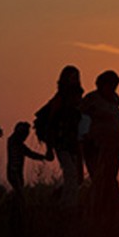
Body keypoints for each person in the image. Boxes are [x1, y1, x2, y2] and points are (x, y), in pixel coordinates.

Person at [34, 65, 85, 209]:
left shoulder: (78, 99)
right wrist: (49, 148)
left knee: (78, 178)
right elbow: (51, 123)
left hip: (74, 142)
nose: (74, 79)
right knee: (71, 174)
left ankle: (62, 201)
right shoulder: (60, 98)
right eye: (71, 77)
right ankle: (67, 206)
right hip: (62, 142)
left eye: (76, 76)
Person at [81, 70, 119, 214]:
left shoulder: (114, 102)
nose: (114, 87)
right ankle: (94, 208)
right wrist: (88, 139)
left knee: (110, 177)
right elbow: (82, 120)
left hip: (114, 148)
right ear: (103, 84)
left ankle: (110, 207)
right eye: (111, 84)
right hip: (96, 146)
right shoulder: (91, 100)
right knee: (100, 177)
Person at [7, 121, 53, 229]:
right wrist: (44, 157)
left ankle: (16, 216)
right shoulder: (15, 142)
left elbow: (29, 153)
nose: (26, 136)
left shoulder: (14, 142)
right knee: (19, 196)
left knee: (18, 195)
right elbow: (30, 153)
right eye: (25, 134)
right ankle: (17, 218)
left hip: (15, 173)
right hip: (14, 173)